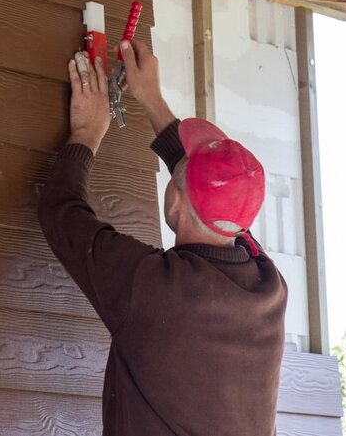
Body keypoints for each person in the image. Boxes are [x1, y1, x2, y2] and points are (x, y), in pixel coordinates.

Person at [38, 38, 288, 436]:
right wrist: (150, 97)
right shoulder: (267, 287)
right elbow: (215, 209)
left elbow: (61, 214)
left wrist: (87, 132)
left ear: (173, 202)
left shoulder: (153, 287)